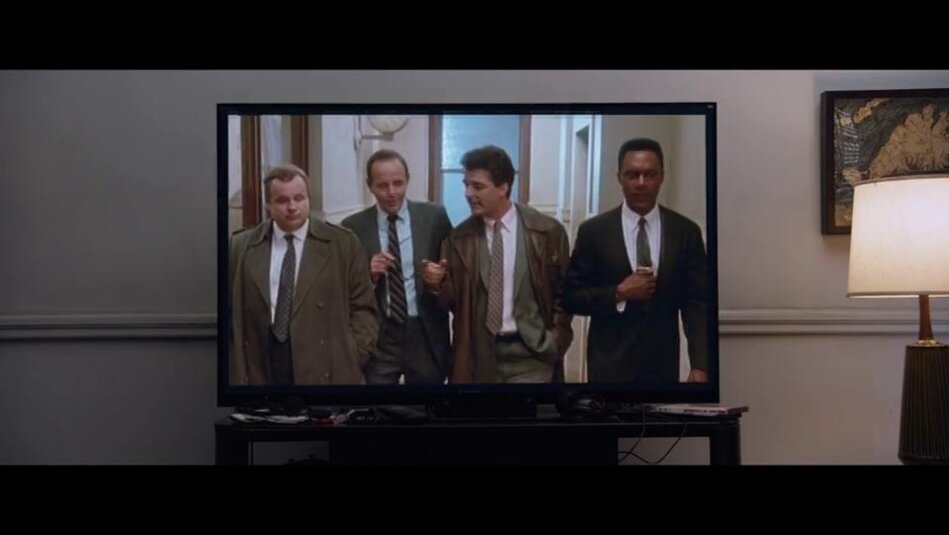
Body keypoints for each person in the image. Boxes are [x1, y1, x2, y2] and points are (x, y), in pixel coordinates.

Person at [422, 145, 573, 383]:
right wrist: (437, 285)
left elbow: (564, 293)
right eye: (466, 184)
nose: (468, 193)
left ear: (503, 187)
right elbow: (451, 304)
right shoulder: (458, 239)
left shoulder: (546, 232)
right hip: (480, 356)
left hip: (533, 352)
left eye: (478, 186)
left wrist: (555, 340)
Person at [564, 138, 708, 384]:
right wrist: (618, 293)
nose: (641, 183)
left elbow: (698, 304)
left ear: (662, 177)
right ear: (619, 177)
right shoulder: (594, 232)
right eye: (633, 175)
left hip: (663, 367)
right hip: (608, 365)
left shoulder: (685, 232)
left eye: (650, 175)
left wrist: (700, 364)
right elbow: (571, 297)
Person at [229, 164, 378, 385]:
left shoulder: (341, 243)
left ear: (308, 199)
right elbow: (232, 313)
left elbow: (364, 307)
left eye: (299, 198)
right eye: (282, 200)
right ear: (268, 204)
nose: (292, 207)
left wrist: (352, 354)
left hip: (327, 367)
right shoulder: (242, 246)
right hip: (263, 365)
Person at [341, 149, 453, 384]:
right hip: (379, 335)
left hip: (425, 332)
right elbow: (343, 288)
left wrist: (439, 278)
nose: (392, 192)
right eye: (382, 186)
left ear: (407, 180)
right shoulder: (353, 227)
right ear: (370, 186)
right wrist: (368, 275)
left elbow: (453, 269)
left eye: (398, 183)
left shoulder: (434, 217)